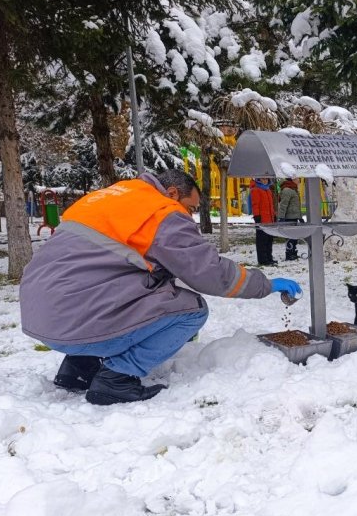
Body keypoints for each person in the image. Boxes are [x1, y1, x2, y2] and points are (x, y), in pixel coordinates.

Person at [19, 169, 302, 405]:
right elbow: (208, 272)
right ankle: (116, 378)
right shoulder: (161, 212)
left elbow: (106, 268)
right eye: (190, 208)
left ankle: (78, 368)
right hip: (74, 319)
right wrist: (266, 284)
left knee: (115, 292)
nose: (188, 217)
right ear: (172, 193)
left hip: (42, 317)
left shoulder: (114, 195)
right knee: (192, 310)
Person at [250, 177, 276, 266]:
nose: (265, 181)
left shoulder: (268, 190)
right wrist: (257, 216)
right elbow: (255, 204)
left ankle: (269, 257)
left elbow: (271, 206)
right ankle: (263, 260)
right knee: (262, 241)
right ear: (258, 180)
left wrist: (273, 216)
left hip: (270, 219)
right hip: (262, 219)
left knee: (269, 240)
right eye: (263, 179)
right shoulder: (256, 190)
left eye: (266, 179)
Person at [277, 178, 302, 261]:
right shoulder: (287, 189)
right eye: (298, 179)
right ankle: (289, 254)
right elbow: (283, 205)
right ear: (293, 179)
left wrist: (299, 217)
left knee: (294, 237)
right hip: (288, 218)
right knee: (290, 237)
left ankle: (293, 252)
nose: (299, 180)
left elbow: (296, 205)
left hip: (294, 217)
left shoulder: (293, 189)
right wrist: (281, 217)